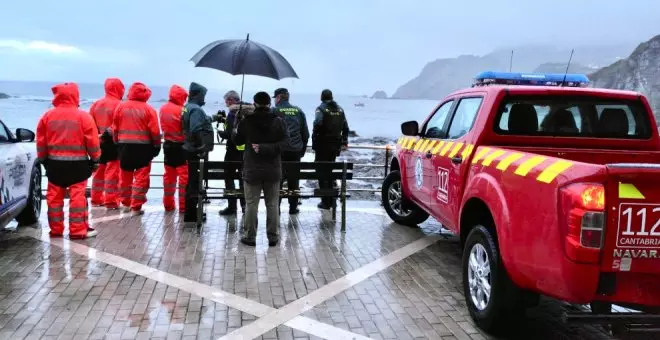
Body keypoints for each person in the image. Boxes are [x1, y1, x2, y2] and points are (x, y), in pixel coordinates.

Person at [36, 82, 101, 239]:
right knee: (77, 198)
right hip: (78, 166)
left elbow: (41, 142)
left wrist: (44, 160)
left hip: (54, 165)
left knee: (54, 199)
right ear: (75, 96)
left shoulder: (46, 116)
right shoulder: (84, 117)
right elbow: (92, 143)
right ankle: (78, 231)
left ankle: (56, 230)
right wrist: (96, 159)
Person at [233, 91, 286, 246]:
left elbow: (237, 142)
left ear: (254, 104)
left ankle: (250, 236)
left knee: (251, 204)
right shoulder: (279, 121)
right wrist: (269, 148)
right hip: (273, 170)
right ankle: (273, 237)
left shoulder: (247, 121)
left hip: (252, 169)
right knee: (272, 204)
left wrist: (236, 124)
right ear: (269, 104)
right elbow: (286, 143)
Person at [112, 82, 161, 214]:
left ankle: (126, 203)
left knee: (125, 177)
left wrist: (116, 142)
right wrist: (157, 145)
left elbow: (115, 128)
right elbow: (155, 132)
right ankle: (136, 206)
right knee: (141, 177)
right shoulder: (149, 109)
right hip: (143, 148)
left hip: (124, 147)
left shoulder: (120, 107)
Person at [88, 77, 125, 209]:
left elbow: (89, 125)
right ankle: (111, 201)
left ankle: (96, 198)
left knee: (98, 172)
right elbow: (121, 125)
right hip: (114, 142)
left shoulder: (96, 104)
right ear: (119, 88)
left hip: (98, 141)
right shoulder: (120, 105)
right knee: (112, 173)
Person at [182, 82, 215, 223]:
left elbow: (200, 121)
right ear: (197, 95)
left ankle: (191, 211)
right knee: (195, 182)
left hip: (190, 148)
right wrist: (202, 146)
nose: (204, 99)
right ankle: (191, 214)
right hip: (196, 151)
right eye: (203, 95)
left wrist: (213, 118)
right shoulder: (195, 109)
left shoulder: (188, 107)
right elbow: (195, 129)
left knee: (192, 181)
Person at [272, 88, 309, 214]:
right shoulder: (298, 111)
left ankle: (276, 208)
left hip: (280, 151)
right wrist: (302, 150)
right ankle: (293, 208)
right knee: (294, 180)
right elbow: (305, 133)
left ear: (278, 98)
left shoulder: (275, 111)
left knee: (278, 180)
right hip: (295, 151)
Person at [312, 89, 349, 210]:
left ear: (322, 97)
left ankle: (325, 202)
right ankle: (332, 200)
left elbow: (318, 123)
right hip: (335, 147)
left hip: (322, 146)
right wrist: (344, 141)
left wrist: (316, 137)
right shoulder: (340, 110)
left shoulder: (320, 109)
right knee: (330, 172)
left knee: (322, 172)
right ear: (332, 97)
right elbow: (346, 127)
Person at [217, 90, 250, 215]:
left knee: (229, 178)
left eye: (227, 101)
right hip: (246, 153)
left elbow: (230, 134)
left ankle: (232, 207)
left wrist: (220, 132)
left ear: (232, 100)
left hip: (232, 151)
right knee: (243, 180)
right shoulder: (247, 111)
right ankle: (244, 207)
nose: (226, 103)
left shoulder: (232, 113)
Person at [159, 84, 189, 213]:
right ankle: (183, 206)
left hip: (168, 146)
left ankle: (168, 205)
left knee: (169, 178)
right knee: (184, 178)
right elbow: (186, 128)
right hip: (181, 148)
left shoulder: (162, 108)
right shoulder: (183, 110)